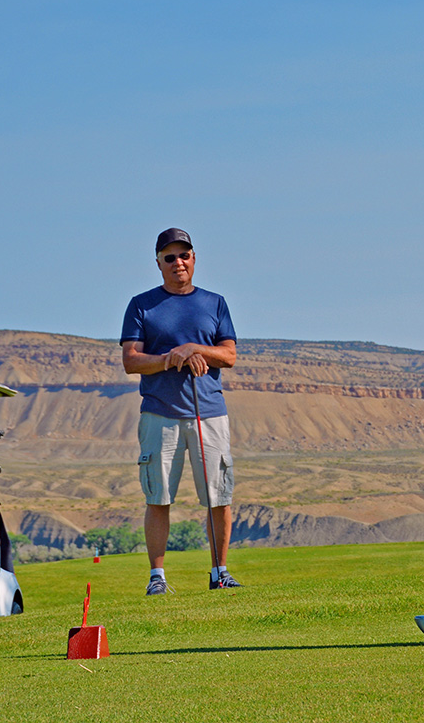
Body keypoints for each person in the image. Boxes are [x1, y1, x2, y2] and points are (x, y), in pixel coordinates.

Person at [121, 227, 241, 595]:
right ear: (158, 262)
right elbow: (131, 361)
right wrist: (170, 359)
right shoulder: (142, 305)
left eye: (184, 255)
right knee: (158, 497)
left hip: (209, 412)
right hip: (160, 413)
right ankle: (157, 578)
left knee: (218, 497)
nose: (178, 263)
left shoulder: (214, 303)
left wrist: (193, 348)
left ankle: (219, 572)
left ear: (194, 258)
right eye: (170, 257)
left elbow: (230, 355)